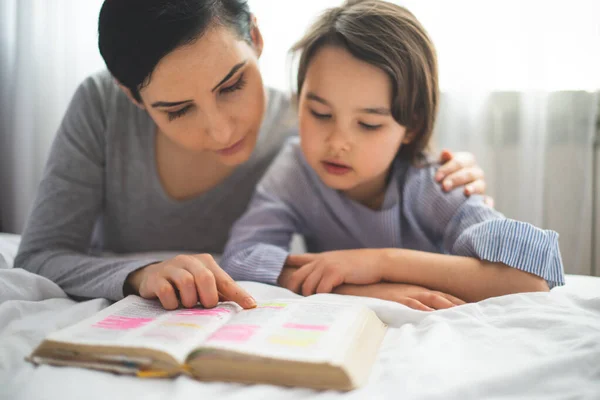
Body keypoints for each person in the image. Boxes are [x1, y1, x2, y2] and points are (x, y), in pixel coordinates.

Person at [16, 0, 490, 310]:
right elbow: (40, 255)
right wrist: (139, 273)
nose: (222, 129)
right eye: (178, 110)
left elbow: (394, 140)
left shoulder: (310, 126)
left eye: (233, 84)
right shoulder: (102, 105)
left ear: (257, 40)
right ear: (133, 96)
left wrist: (448, 172)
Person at [221, 0, 565, 309]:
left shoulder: (433, 182)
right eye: (320, 114)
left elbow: (528, 282)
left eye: (369, 124)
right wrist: (352, 289)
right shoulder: (295, 168)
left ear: (411, 127)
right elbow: (242, 257)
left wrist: (378, 263)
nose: (338, 142)